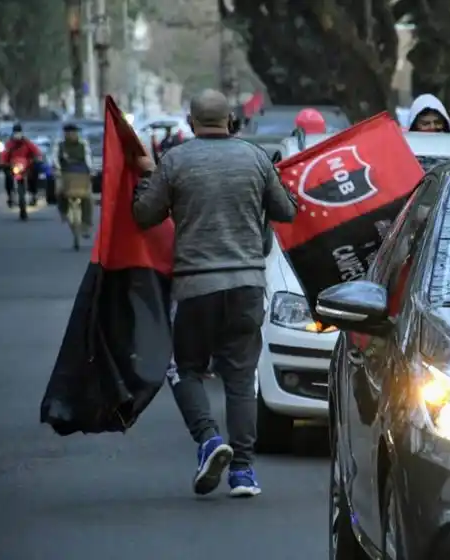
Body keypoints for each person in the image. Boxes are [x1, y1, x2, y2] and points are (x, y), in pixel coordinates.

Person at [131, 89, 297, 497]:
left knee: (183, 368)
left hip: (195, 287)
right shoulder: (256, 158)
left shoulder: (175, 161)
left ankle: (208, 439)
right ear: (231, 121)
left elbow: (144, 215)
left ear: (191, 122)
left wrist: (146, 177)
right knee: (241, 378)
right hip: (247, 287)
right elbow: (287, 212)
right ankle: (243, 471)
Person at [52, 123, 93, 237]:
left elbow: (88, 158)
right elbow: (55, 159)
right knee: (60, 193)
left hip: (81, 174)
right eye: (68, 132)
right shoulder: (60, 145)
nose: (71, 135)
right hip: (65, 173)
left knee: (88, 198)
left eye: (73, 132)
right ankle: (63, 212)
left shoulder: (83, 144)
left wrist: (91, 170)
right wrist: (58, 170)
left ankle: (86, 224)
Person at [1, 123, 42, 207]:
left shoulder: (27, 143)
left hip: (26, 166)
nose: (17, 134)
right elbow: (4, 155)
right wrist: (3, 163)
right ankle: (10, 196)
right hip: (13, 166)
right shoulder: (9, 144)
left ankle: (33, 194)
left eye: (19, 132)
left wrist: (37, 158)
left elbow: (36, 151)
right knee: (8, 177)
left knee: (34, 173)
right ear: (13, 133)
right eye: (16, 132)